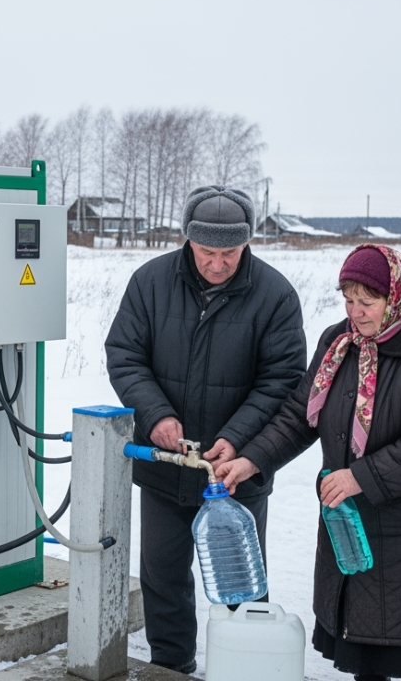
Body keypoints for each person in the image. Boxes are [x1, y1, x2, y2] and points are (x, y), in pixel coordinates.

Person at [218, 244, 401, 681]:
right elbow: (300, 414)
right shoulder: (340, 343)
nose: (355, 312)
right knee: (365, 647)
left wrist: (360, 476)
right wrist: (252, 460)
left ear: (398, 297)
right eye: (348, 299)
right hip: (354, 518)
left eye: (368, 301)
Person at [105, 185, 307, 674]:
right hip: (165, 469)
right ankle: (171, 666)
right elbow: (125, 355)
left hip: (237, 470)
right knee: (163, 577)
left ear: (247, 244)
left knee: (240, 580)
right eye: (207, 252)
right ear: (187, 240)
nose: (218, 264)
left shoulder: (275, 295)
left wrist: (236, 437)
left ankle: (246, 665)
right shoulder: (149, 282)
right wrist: (156, 416)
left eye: (230, 253)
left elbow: (281, 380)